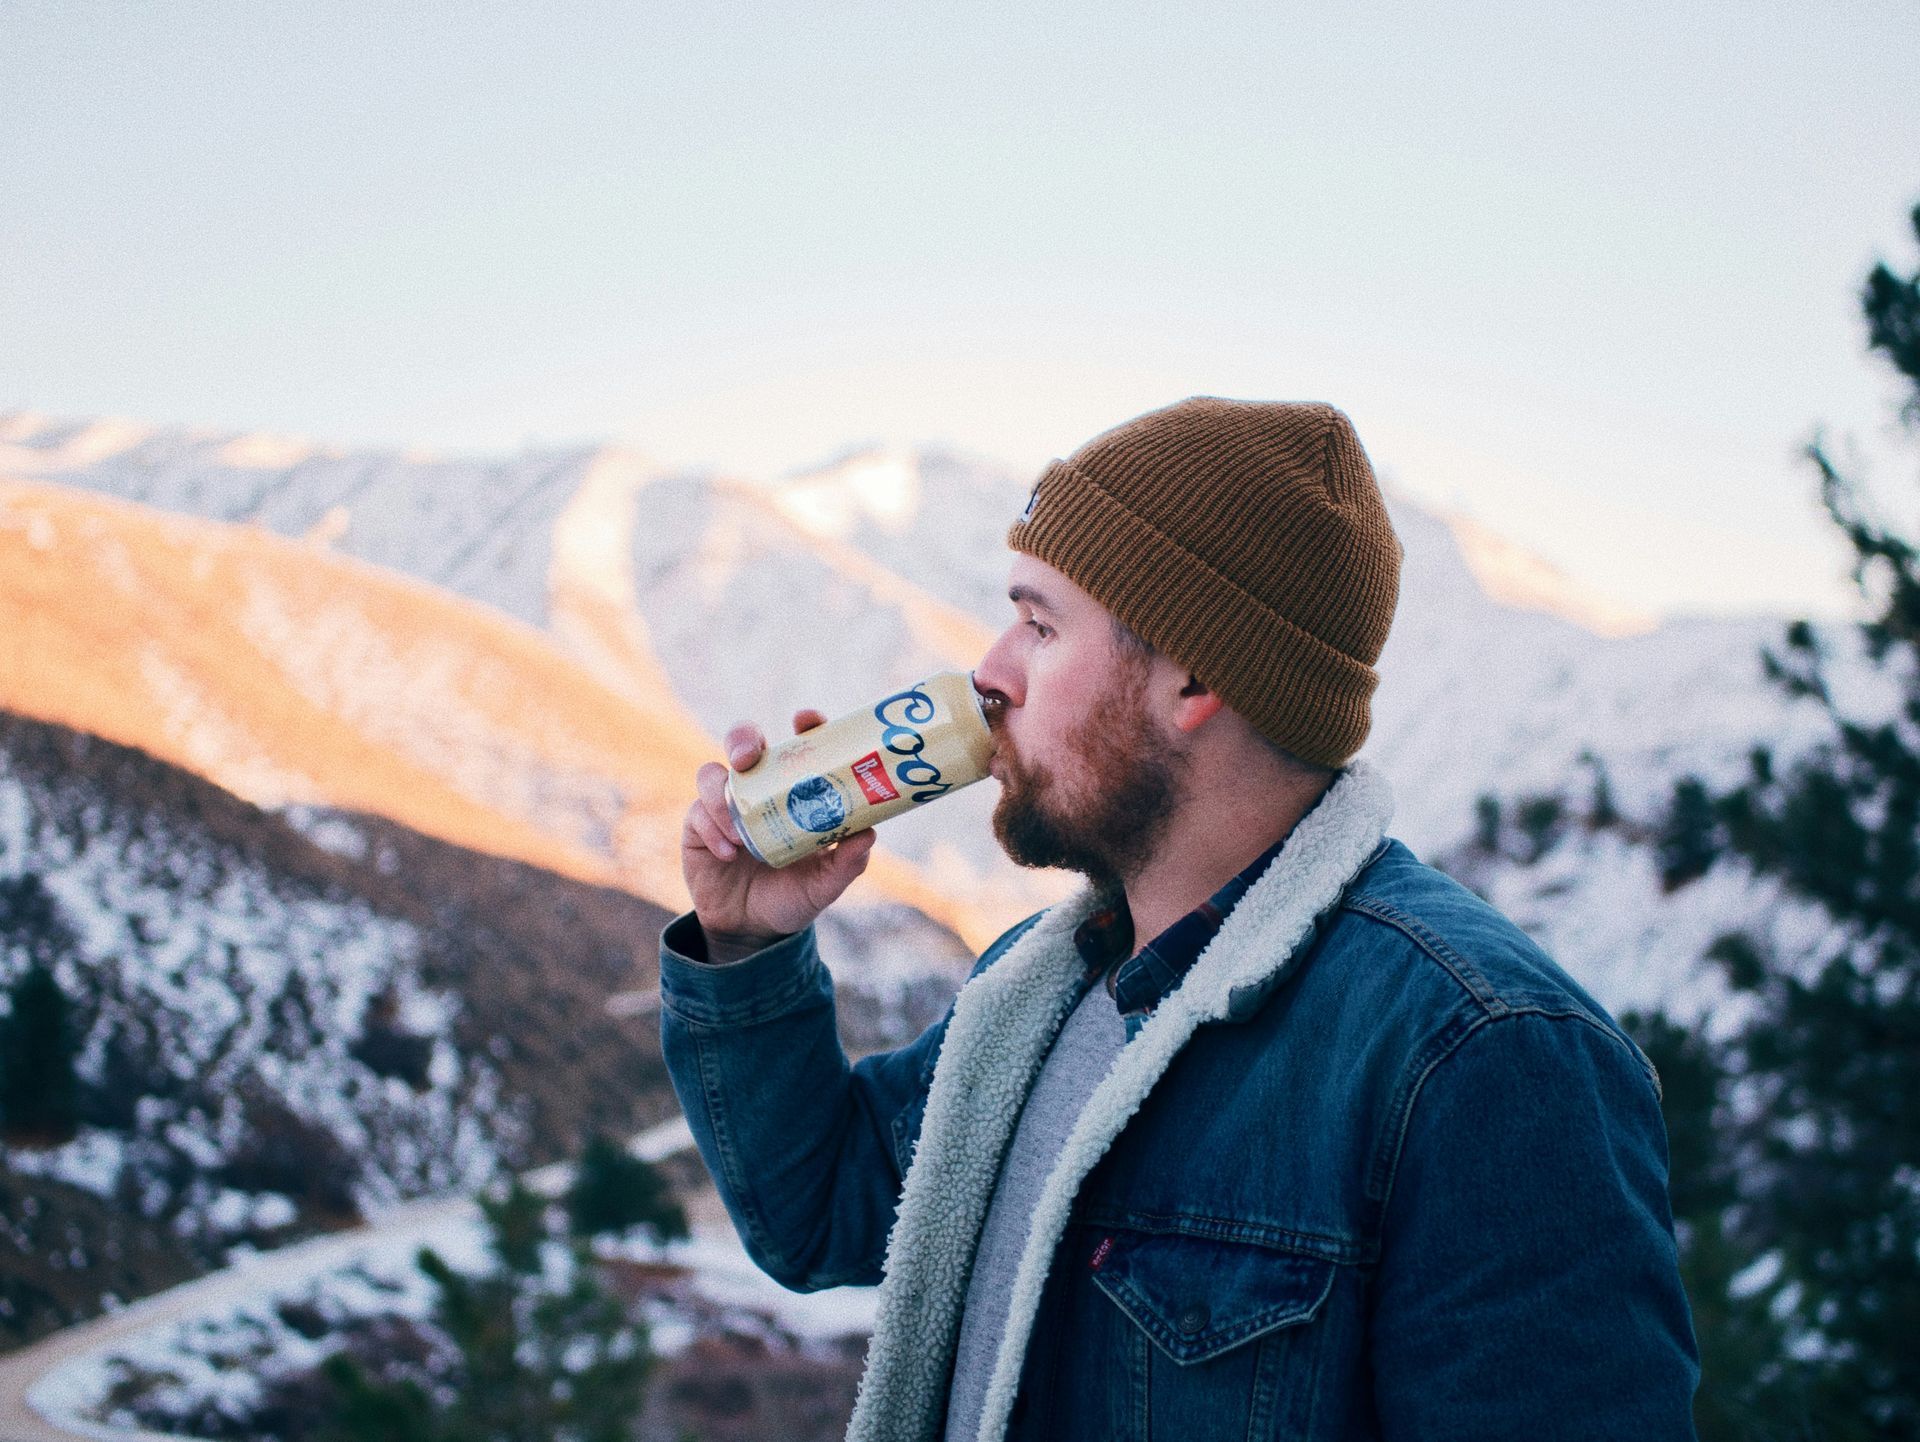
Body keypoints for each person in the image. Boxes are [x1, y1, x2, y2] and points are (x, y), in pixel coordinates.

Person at [661, 398, 1699, 1441]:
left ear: (1195, 675)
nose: (989, 671)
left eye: (1040, 624)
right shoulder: (1042, 982)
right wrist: (750, 942)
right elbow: (823, 1208)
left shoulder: (1486, 1056)